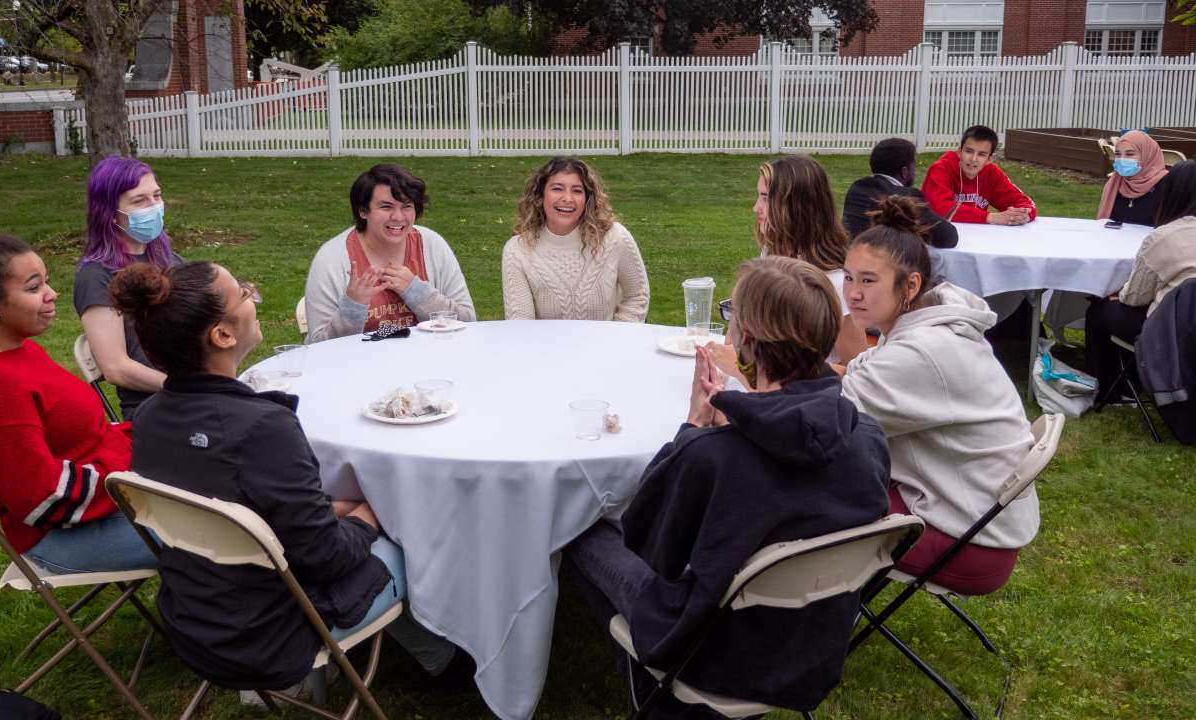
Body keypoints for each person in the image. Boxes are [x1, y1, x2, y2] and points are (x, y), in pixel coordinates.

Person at [565, 256, 890, 718]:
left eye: (730, 315)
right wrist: (744, 409)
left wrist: (693, 427)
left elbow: (649, 545)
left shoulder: (716, 456)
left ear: (746, 341)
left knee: (579, 526)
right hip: (814, 648)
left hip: (714, 654)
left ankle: (653, 690)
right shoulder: (868, 436)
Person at [112, 261, 456, 693]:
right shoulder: (261, 427)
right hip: (276, 633)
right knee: (415, 526)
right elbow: (328, 555)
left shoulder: (149, 418)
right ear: (222, 335)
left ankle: (431, 653)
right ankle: (444, 655)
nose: (253, 299)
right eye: (244, 293)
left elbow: (236, 504)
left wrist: (335, 510)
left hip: (196, 618)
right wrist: (372, 512)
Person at [838, 195, 1038, 595]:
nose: (852, 293)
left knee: (801, 495)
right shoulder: (930, 320)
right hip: (976, 516)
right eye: (847, 277)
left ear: (910, 285)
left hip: (969, 544)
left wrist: (753, 371)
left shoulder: (924, 350)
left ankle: (794, 625)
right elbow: (862, 374)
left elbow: (829, 419)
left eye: (868, 280)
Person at [0, 225, 156, 574]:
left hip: (108, 498)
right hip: (63, 535)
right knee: (222, 530)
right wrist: (133, 476)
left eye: (46, 281)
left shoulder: (18, 350)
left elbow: (82, 435)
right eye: (34, 287)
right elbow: (42, 498)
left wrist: (149, 446)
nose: (52, 294)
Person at [305, 164, 475, 342]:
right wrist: (353, 306)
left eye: (407, 206)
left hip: (427, 363)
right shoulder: (332, 259)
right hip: (358, 367)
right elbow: (318, 347)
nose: (398, 217)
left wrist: (417, 292)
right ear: (363, 211)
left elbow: (469, 322)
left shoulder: (433, 246)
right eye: (386, 207)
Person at [75, 155, 184, 420]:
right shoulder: (97, 277)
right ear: (110, 213)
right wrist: (185, 388)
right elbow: (116, 368)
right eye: (140, 200)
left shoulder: (170, 261)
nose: (154, 206)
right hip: (155, 409)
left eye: (156, 196)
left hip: (194, 395)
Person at [1085, 159, 1196, 403]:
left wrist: (1116, 295)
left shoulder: (1162, 238)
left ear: (1171, 195)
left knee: (1099, 311)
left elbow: (1135, 297)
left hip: (1172, 328)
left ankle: (1110, 388)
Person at [502, 156, 650, 321]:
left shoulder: (615, 238)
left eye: (577, 191)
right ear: (540, 195)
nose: (567, 198)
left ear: (587, 199)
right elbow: (520, 323)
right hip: (544, 346)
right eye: (557, 189)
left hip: (607, 345)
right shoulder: (517, 251)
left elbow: (637, 295)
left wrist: (617, 338)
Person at [753, 155, 866, 363]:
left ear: (795, 207)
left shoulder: (836, 283)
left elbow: (856, 370)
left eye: (766, 198)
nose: (756, 208)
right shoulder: (772, 253)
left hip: (812, 393)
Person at [842, 137, 959, 250]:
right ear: (905, 172)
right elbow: (948, 237)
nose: (915, 171)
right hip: (883, 265)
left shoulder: (857, 188)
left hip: (850, 258)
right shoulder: (906, 197)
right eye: (914, 166)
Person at [922, 125, 1037, 226]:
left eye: (982, 154)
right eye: (969, 151)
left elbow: (1026, 203)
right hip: (937, 238)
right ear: (959, 152)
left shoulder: (992, 174)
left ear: (989, 159)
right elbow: (940, 208)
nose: (973, 159)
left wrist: (1023, 215)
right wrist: (991, 217)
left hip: (977, 237)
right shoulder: (941, 169)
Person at [1097, 129, 1170, 226]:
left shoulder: (1167, 185)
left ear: (1147, 155)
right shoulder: (1114, 183)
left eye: (1130, 154)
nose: (1122, 159)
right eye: (1118, 154)